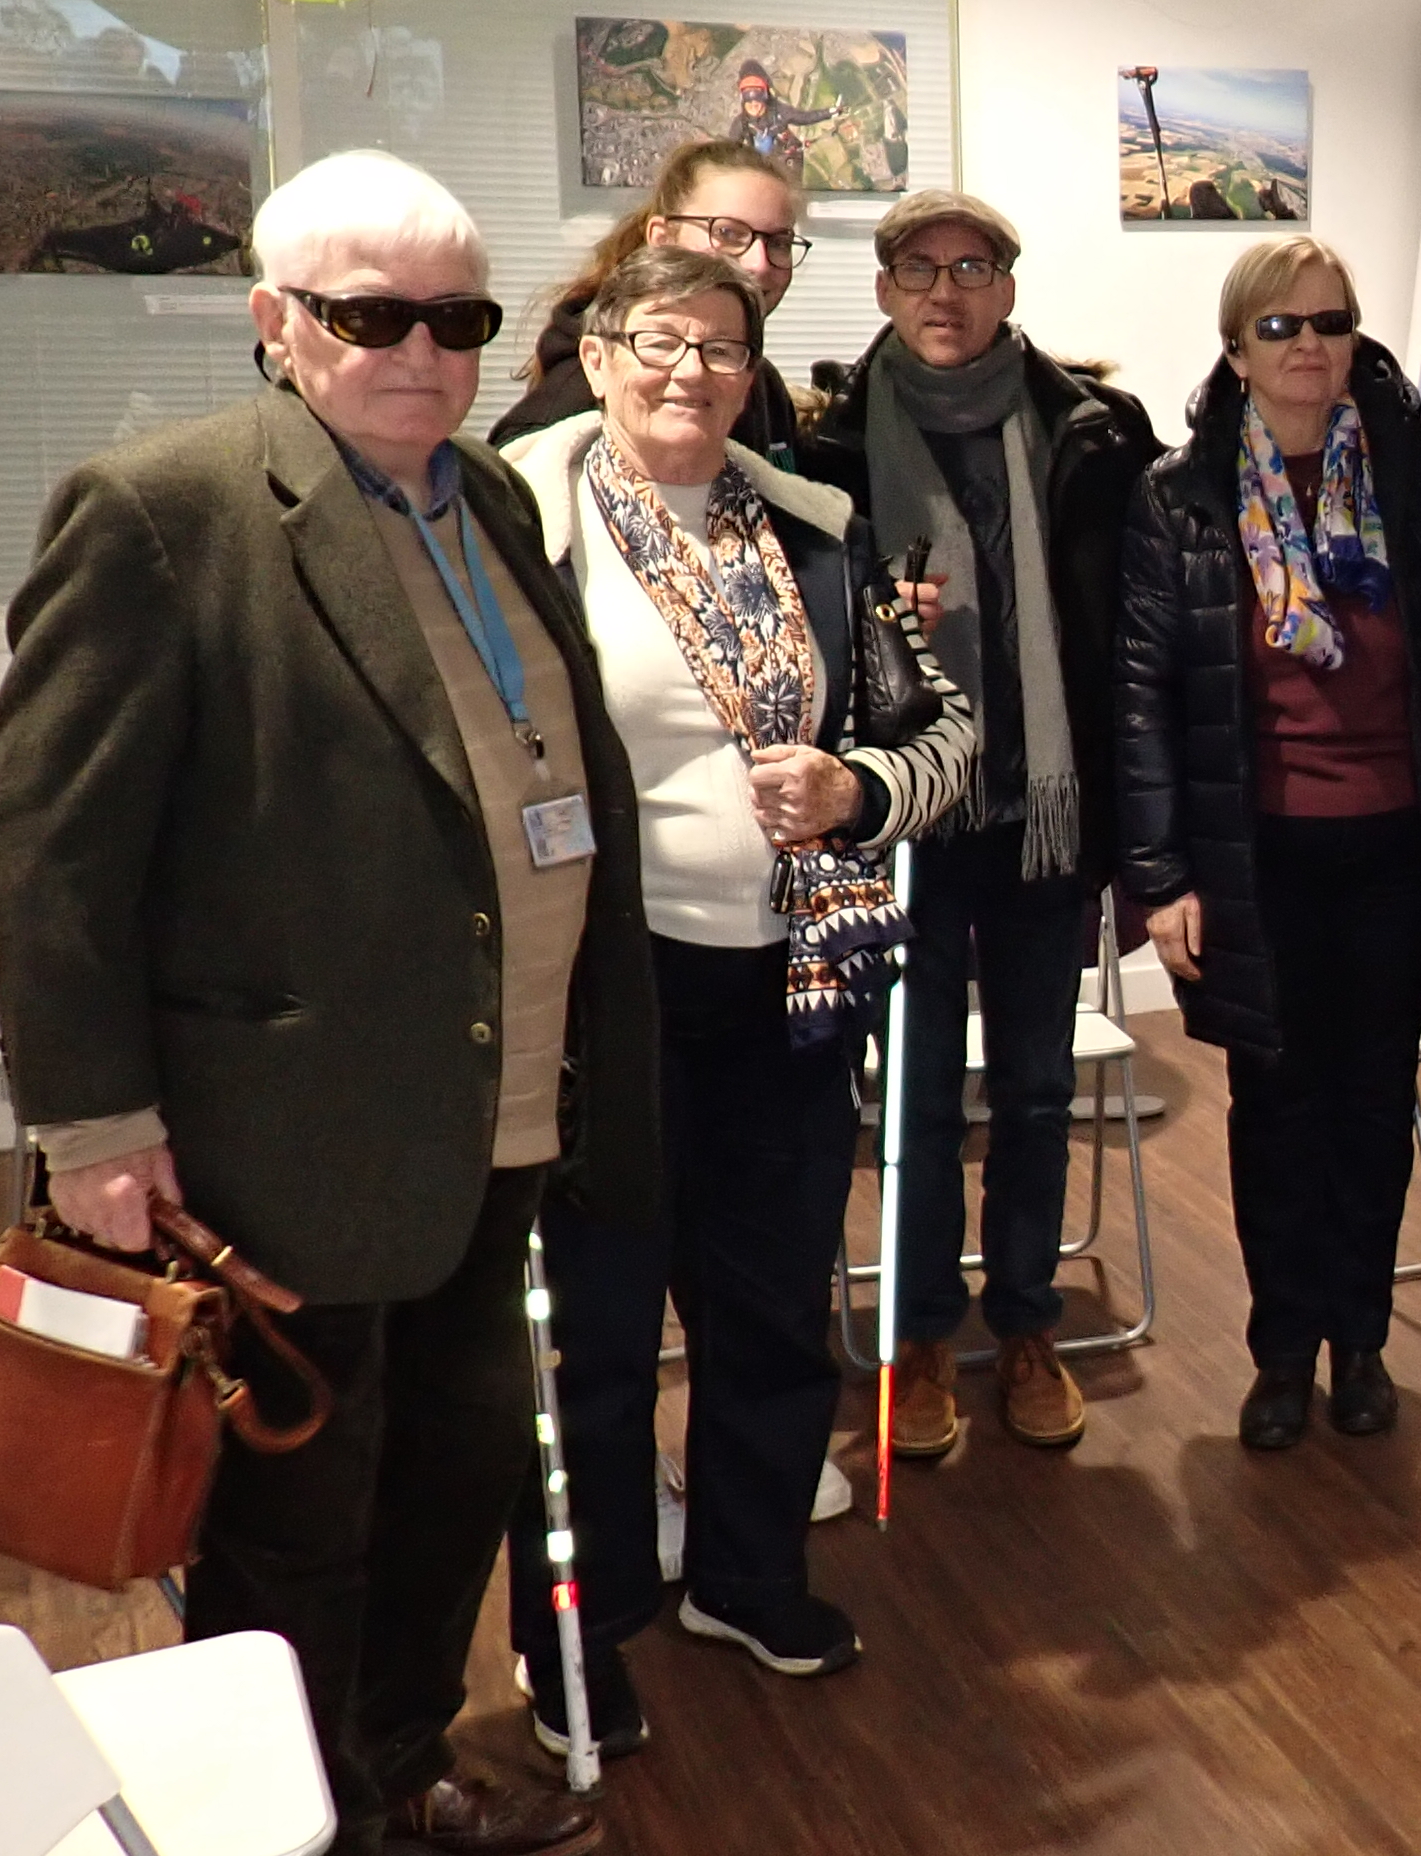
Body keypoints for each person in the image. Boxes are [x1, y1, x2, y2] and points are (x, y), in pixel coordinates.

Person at [0, 149, 654, 1856]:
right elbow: (50, 854)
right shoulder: (163, 513)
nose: (421, 350)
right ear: (276, 320)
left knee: (456, 1471)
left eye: (457, 317)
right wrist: (98, 1127)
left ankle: (399, 1762)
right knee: (296, 1517)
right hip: (292, 1133)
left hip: (497, 1118)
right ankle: (289, 1819)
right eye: (371, 315)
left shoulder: (486, 495)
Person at [491, 245, 980, 1751]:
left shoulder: (816, 534)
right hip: (604, 1003)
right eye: (659, 340)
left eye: (720, 346)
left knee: (774, 1310)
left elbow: (951, 734)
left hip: (790, 984)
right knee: (602, 1340)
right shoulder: (524, 529)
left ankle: (751, 1578)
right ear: (597, 351)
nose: (687, 370)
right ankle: (585, 1636)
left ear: (754, 372)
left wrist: (858, 785)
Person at [1114, 236, 1421, 1449]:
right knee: (1275, 1108)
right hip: (1255, 854)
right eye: (1279, 327)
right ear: (1236, 347)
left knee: (1375, 1101)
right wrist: (1162, 874)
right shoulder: (1180, 496)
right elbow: (1142, 695)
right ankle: (1282, 1348)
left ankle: (1362, 1342)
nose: (1308, 346)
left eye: (1329, 322)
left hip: (1396, 846)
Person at [798, 190, 1159, 1457]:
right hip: (902, 822)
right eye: (917, 269)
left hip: (1040, 824)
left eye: (972, 266)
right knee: (913, 1111)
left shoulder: (1094, 433)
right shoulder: (820, 453)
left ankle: (1023, 1327)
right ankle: (915, 1336)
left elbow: (1133, 638)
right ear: (886, 290)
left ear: (1009, 285)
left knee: (1039, 1089)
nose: (944, 291)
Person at [489, 138, 815, 454]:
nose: (758, 263)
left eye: (779, 242)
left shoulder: (764, 385)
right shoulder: (581, 397)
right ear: (662, 239)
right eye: (727, 233)